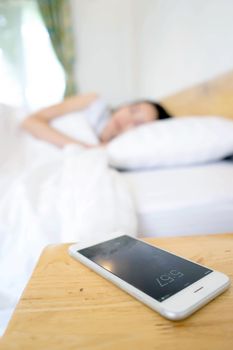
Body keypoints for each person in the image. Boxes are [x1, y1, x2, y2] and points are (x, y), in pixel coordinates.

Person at [21, 93, 172, 148]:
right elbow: (30, 122)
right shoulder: (93, 103)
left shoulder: (116, 150)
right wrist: (80, 147)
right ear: (126, 105)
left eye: (138, 124)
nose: (128, 119)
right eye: (133, 110)